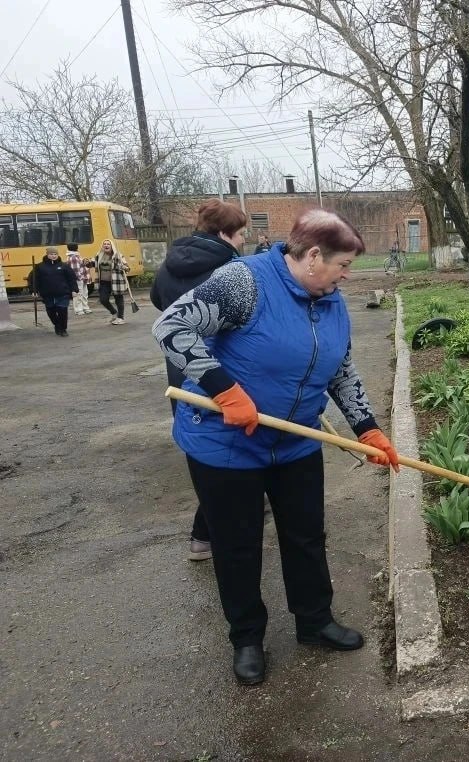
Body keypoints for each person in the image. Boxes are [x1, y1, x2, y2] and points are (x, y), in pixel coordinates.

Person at [152, 208, 400, 685]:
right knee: (237, 545)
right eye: (343, 265)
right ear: (312, 256)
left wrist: (367, 428)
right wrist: (224, 389)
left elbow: (341, 369)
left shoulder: (330, 299)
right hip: (225, 445)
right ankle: (247, 638)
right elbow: (172, 327)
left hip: (296, 441)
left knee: (306, 535)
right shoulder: (243, 283)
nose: (347, 276)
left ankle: (315, 620)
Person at [151, 199, 248, 563]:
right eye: (239, 234)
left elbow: (161, 303)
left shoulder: (169, 264)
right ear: (224, 233)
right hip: (220, 372)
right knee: (229, 453)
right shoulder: (230, 268)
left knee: (204, 452)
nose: (242, 241)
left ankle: (208, 533)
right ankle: (206, 534)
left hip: (182, 369)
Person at [31, 247, 78, 336]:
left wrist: (74, 290)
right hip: (47, 294)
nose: (53, 256)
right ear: (47, 255)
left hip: (63, 293)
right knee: (51, 311)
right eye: (51, 254)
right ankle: (57, 325)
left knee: (62, 311)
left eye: (55, 254)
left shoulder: (64, 266)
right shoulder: (40, 267)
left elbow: (71, 279)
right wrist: (34, 290)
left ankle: (63, 329)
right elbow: (33, 279)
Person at [92, 239, 131, 325]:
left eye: (108, 244)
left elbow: (127, 267)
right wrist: (86, 262)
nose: (106, 245)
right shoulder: (99, 255)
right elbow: (92, 263)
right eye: (104, 244)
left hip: (116, 282)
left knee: (118, 299)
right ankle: (114, 312)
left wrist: (123, 267)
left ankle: (121, 317)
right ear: (102, 246)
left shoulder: (118, 255)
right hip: (103, 282)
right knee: (103, 300)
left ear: (111, 246)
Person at [66, 243, 92, 315]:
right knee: (79, 294)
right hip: (79, 279)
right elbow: (75, 270)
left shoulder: (75, 256)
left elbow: (79, 267)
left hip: (82, 278)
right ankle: (78, 309)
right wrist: (80, 278)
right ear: (76, 247)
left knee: (84, 293)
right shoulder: (74, 257)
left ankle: (85, 307)